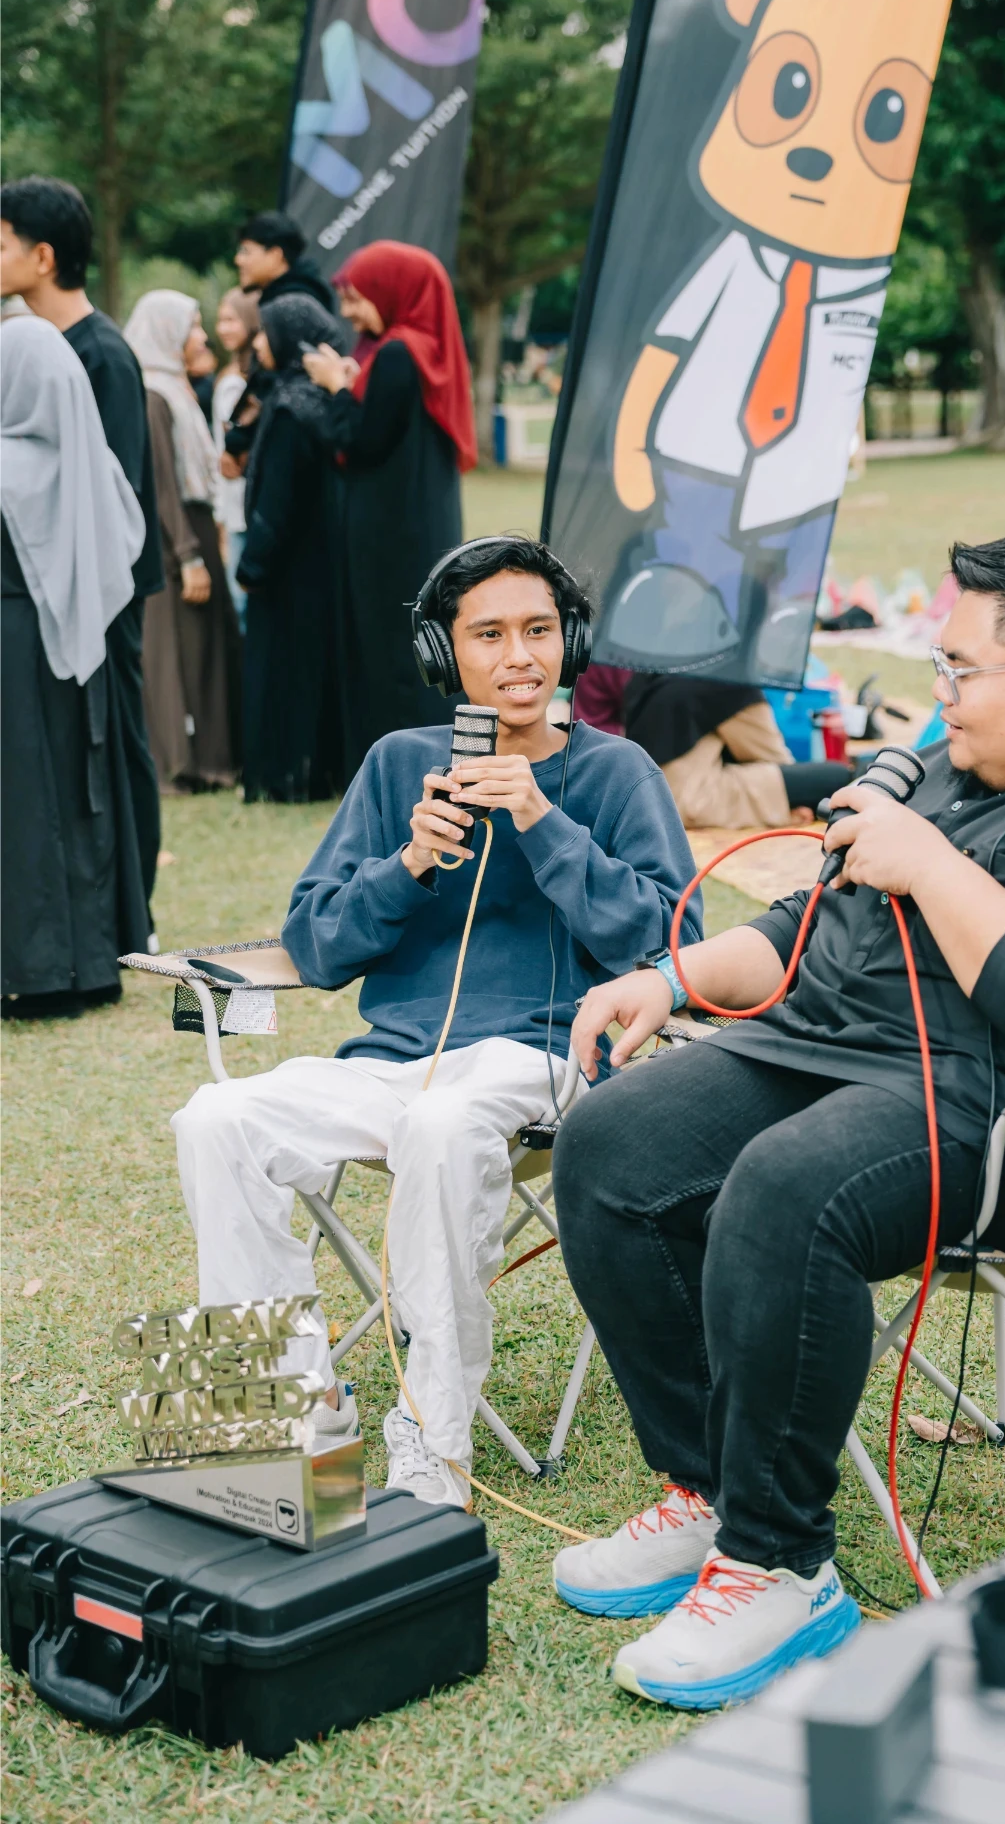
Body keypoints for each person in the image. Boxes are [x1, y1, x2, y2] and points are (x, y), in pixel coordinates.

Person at [550, 531, 1005, 1710]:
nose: (936, 694)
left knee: (789, 1185)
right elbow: (812, 924)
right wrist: (675, 976)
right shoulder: (950, 768)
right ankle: (710, 1488)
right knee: (612, 1144)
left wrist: (934, 866)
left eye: (961, 670)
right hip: (850, 1058)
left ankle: (778, 1564)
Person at [171, 536, 700, 1505]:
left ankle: (432, 1433)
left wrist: (544, 823)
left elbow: (676, 947)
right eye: (488, 634)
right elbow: (316, 945)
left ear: (571, 640)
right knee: (216, 1116)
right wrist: (408, 862)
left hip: (540, 1058)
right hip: (392, 1063)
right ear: (442, 651)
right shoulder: (397, 765)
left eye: (538, 630)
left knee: (443, 1121)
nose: (519, 656)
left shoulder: (617, 773)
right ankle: (281, 1422)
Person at [0, 177, 164, 939]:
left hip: (106, 586)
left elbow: (113, 497)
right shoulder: (40, 348)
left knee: (118, 743)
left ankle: (133, 915)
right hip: (49, 586)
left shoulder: (102, 356)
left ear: (42, 257)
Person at [2, 319, 148, 1014]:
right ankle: (94, 961)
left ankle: (34, 971)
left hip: (11, 650)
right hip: (82, 649)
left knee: (24, 803)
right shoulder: (92, 461)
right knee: (84, 799)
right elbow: (124, 552)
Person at [301, 241, 471, 780]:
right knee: (420, 650)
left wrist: (336, 389)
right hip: (416, 527)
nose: (348, 311)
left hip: (387, 534)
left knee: (391, 653)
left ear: (392, 291)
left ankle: (396, 769)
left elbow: (362, 441)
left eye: (357, 297)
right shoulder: (422, 351)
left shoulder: (398, 353)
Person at [125, 290, 241, 789]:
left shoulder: (177, 389)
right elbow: (161, 485)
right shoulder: (154, 394)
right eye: (193, 326)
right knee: (175, 652)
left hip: (194, 526)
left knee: (204, 649)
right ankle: (180, 766)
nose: (202, 336)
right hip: (175, 537)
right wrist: (188, 555)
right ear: (166, 331)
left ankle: (211, 760)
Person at [238, 295, 343, 804]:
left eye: (266, 333)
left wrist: (252, 565)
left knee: (280, 673)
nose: (258, 344)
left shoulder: (289, 410)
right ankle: (315, 772)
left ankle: (284, 776)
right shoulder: (320, 399)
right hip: (321, 563)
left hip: (287, 570)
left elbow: (276, 502)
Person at [624, 674, 848, 828]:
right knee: (836, 778)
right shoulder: (727, 681)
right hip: (694, 803)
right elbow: (771, 754)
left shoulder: (648, 676)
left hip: (648, 798)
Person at [212, 288, 259, 618]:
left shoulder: (244, 381)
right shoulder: (233, 379)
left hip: (244, 503)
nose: (223, 329)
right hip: (235, 501)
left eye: (232, 320)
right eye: (220, 320)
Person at [233, 211, 337, 316]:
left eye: (246, 252)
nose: (238, 260)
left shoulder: (294, 306)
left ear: (275, 255)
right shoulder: (293, 297)